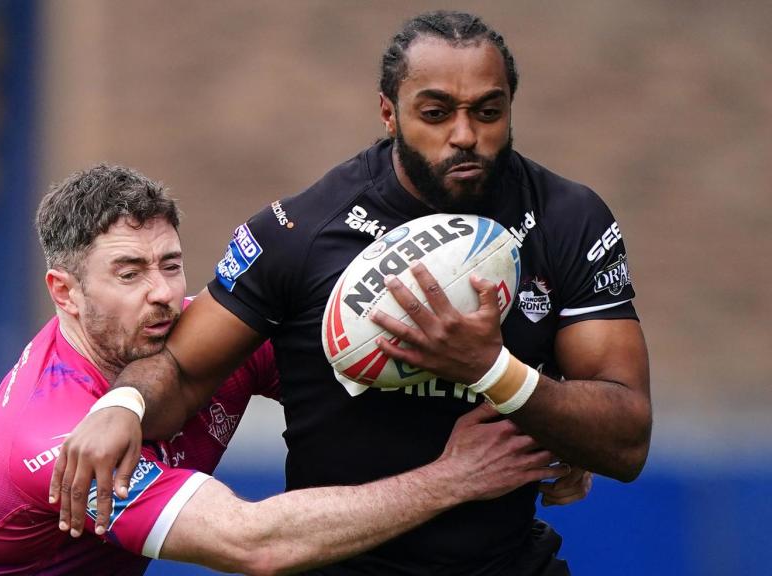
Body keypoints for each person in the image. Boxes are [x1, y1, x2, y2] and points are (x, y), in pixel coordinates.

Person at [52, 10, 646, 576]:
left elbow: (626, 440)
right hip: (340, 564)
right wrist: (120, 406)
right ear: (388, 113)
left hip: (508, 561)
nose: (465, 135)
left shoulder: (569, 219)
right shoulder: (300, 232)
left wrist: (496, 373)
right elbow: (180, 372)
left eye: (488, 112)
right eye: (435, 113)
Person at [0, 165, 582, 576]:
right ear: (64, 293)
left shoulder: (196, 341)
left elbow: (363, 390)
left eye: (169, 264)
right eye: (129, 273)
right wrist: (454, 478)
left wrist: (544, 418)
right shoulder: (52, 434)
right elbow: (255, 545)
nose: (162, 292)